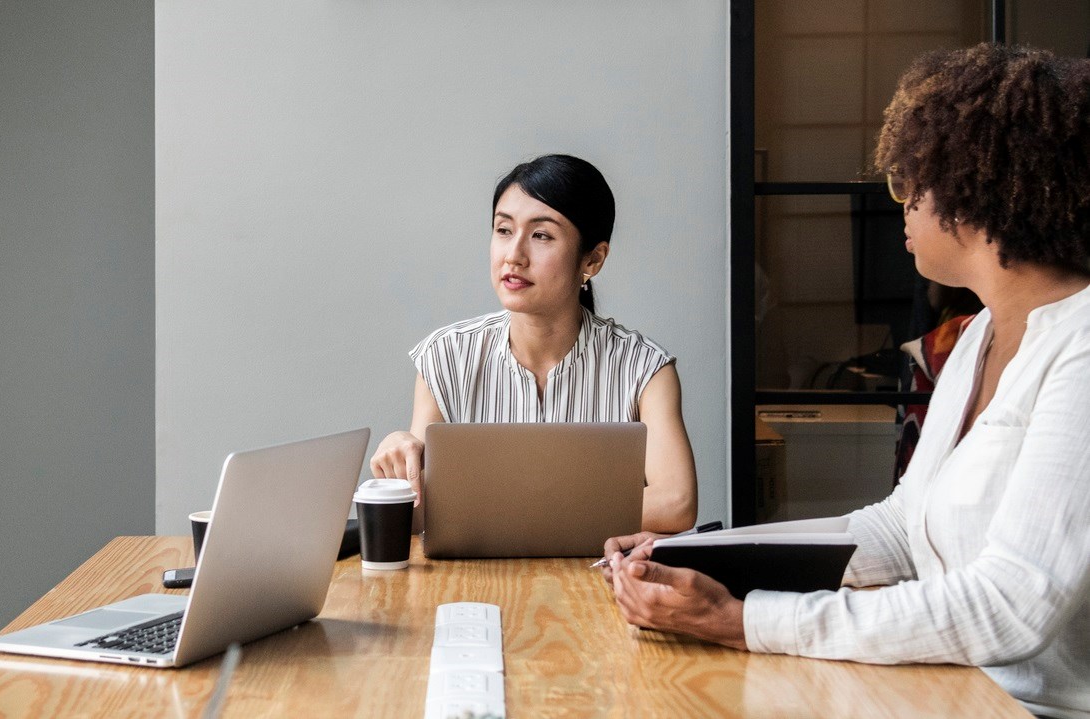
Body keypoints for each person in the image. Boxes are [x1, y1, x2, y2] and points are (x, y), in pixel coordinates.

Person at [604, 44, 1090, 719]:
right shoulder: (979, 334)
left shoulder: (1081, 349)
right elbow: (896, 529)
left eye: (907, 181)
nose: (900, 205)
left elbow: (1009, 606)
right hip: (947, 691)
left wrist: (743, 619)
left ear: (972, 186)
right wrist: (692, 553)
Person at [370, 154, 697, 533]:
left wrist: (499, 508)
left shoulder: (644, 368)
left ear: (592, 260)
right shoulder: (445, 358)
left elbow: (676, 502)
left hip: (596, 585)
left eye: (541, 235)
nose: (514, 255)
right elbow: (423, 512)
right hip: (475, 589)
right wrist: (397, 459)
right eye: (504, 230)